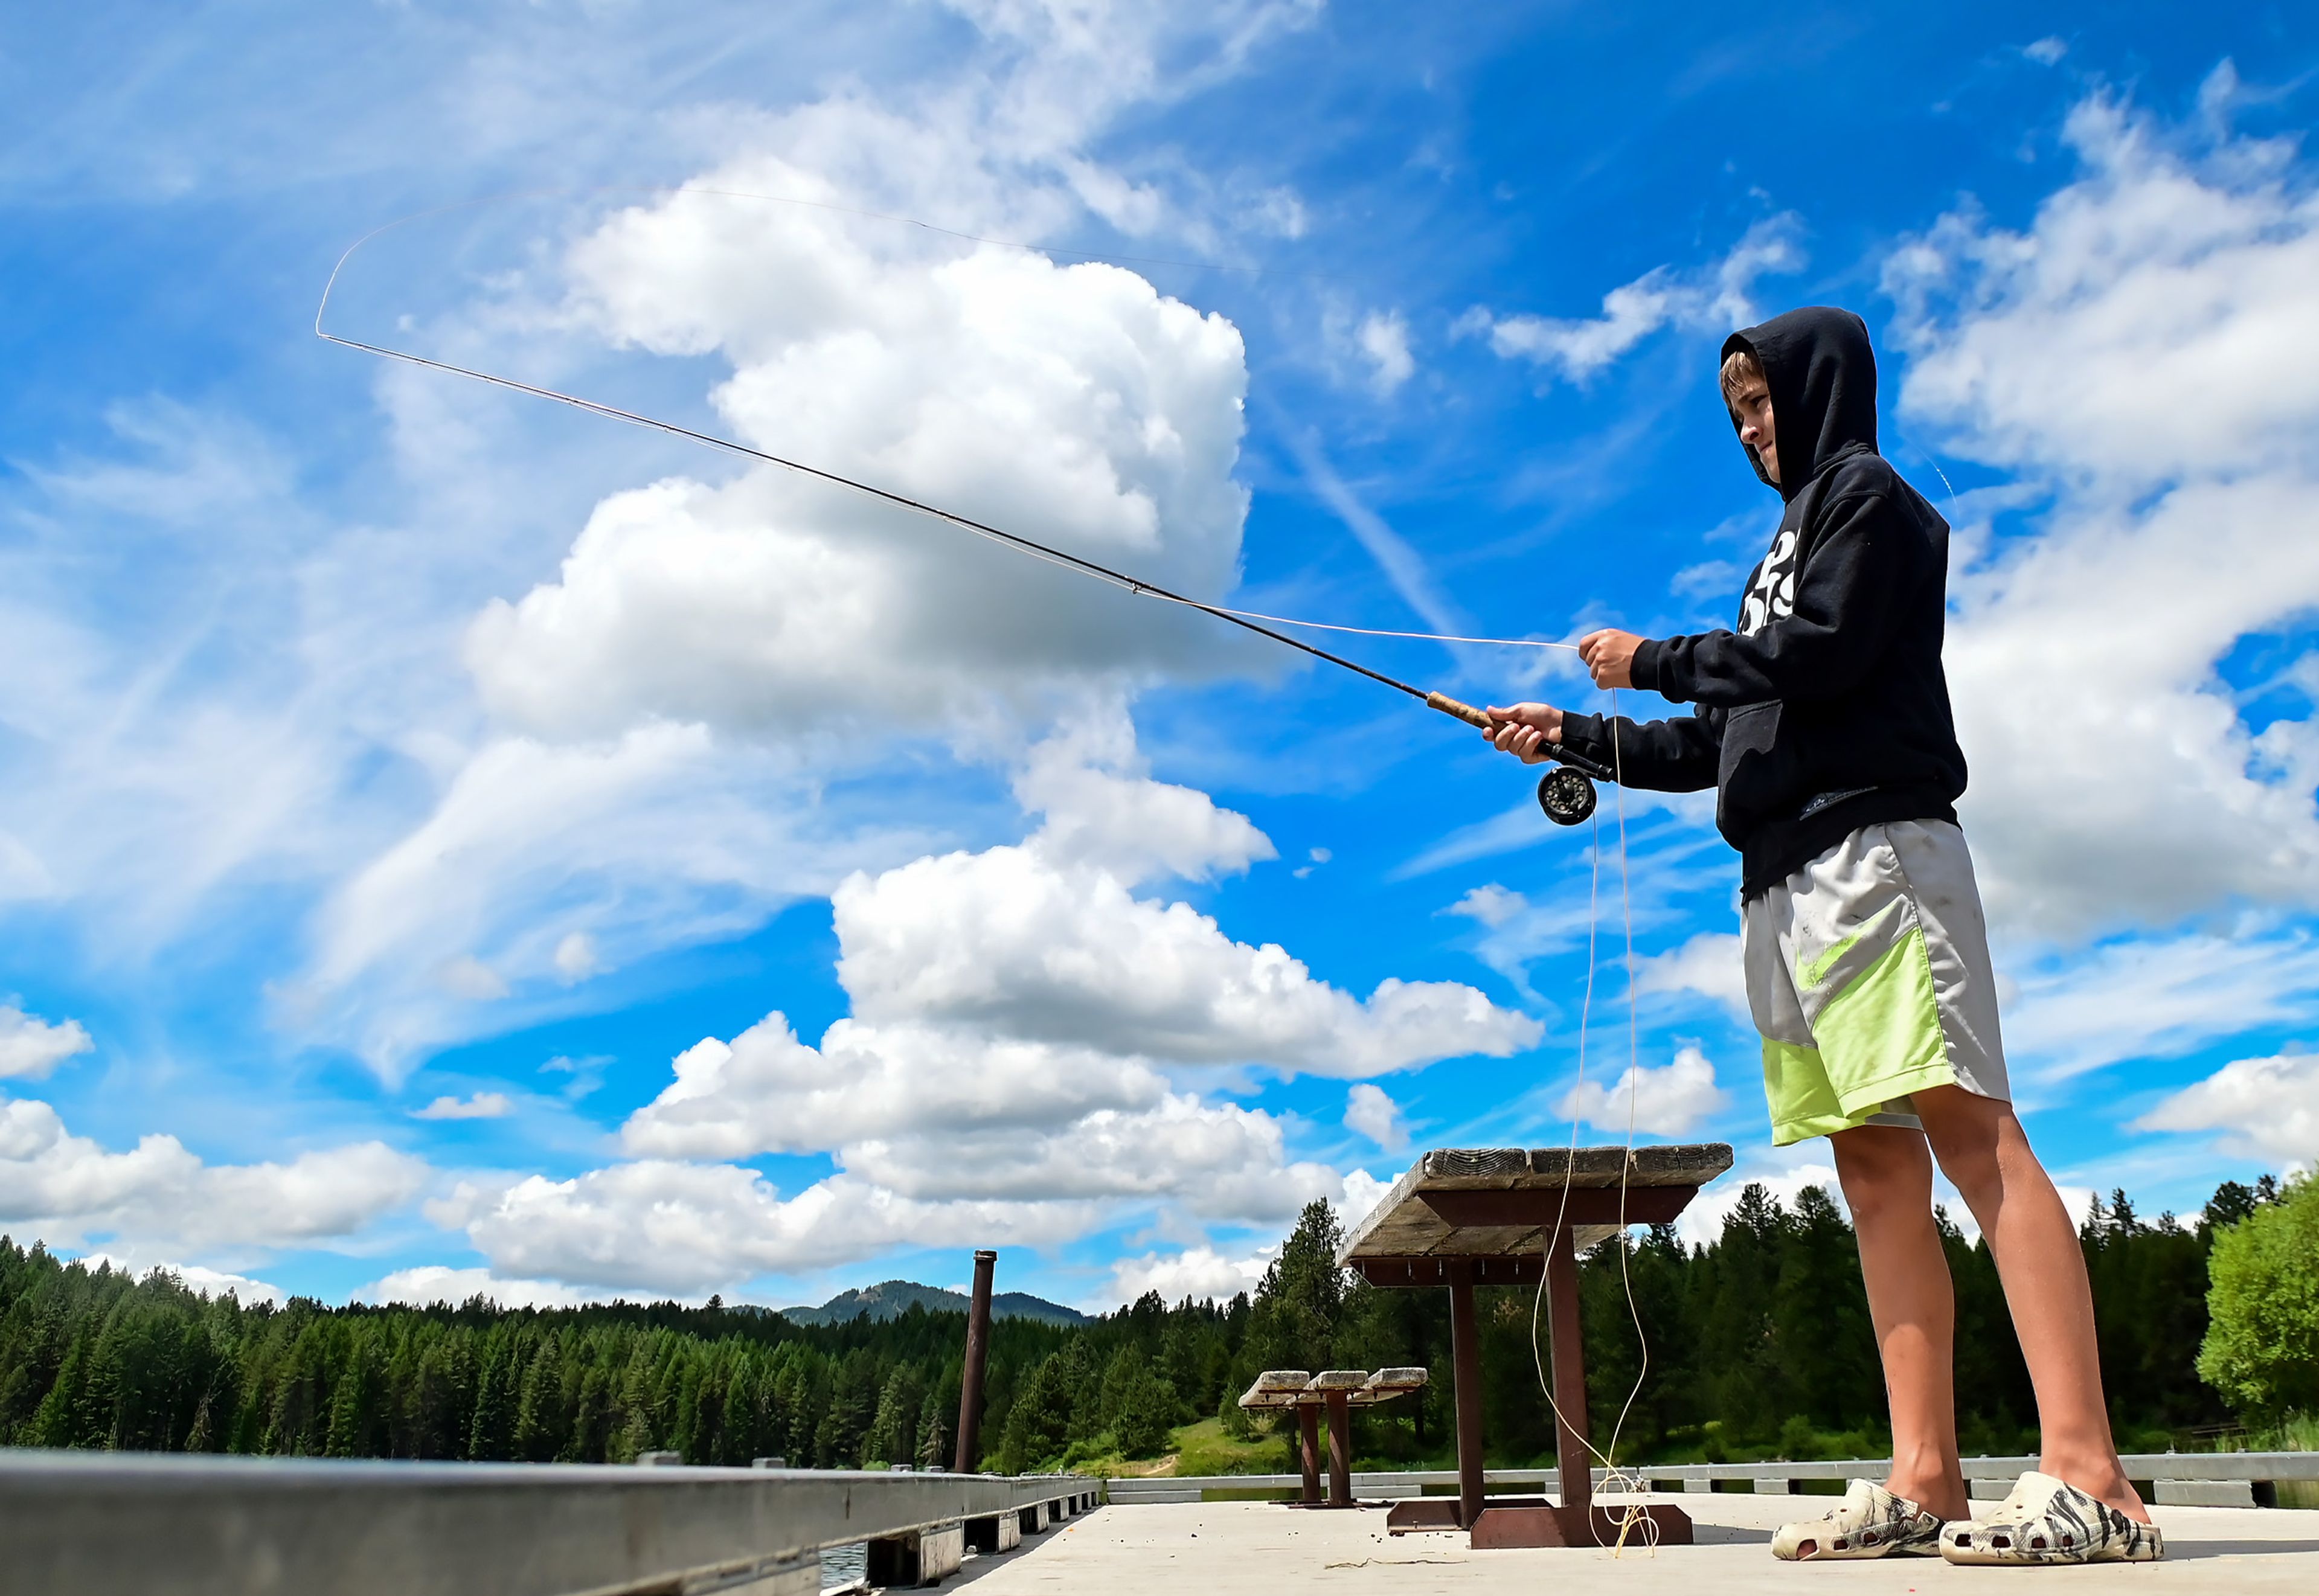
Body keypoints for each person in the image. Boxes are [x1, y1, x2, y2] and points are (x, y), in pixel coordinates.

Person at [1483, 307, 2161, 1566]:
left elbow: (1827, 652)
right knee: (1873, 1167)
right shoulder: (1776, 554)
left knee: (1971, 1126)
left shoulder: (1874, 504)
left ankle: (2092, 1474)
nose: (1750, 429)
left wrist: (1660, 656)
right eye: (1734, 413)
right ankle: (1925, 1476)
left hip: (1880, 853)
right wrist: (1571, 731)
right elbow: (1715, 740)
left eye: (1763, 400)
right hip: (1785, 882)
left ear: (1822, 386)